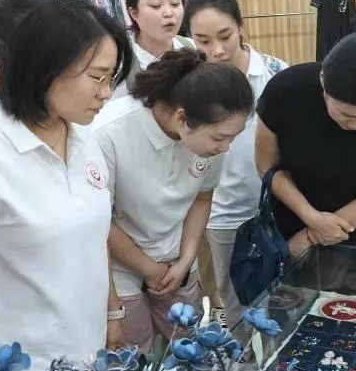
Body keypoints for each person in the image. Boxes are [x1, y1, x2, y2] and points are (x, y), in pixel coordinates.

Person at [0, 0, 133, 371]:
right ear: (47, 68)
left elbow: (95, 237)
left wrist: (112, 313)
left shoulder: (85, 136)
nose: (107, 92)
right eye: (97, 77)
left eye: (111, 78)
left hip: (87, 357)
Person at [93, 49, 254, 351]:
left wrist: (185, 260)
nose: (225, 147)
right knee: (134, 355)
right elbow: (99, 222)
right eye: (219, 138)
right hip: (119, 268)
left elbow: (202, 199)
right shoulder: (109, 133)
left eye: (232, 137)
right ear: (182, 118)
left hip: (175, 260)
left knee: (186, 347)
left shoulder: (213, 141)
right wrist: (148, 268)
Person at [255, 31, 356, 255]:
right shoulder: (286, 91)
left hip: (355, 228)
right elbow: (267, 166)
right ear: (323, 80)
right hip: (286, 222)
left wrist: (310, 236)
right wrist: (310, 216)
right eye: (346, 114)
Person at [185, 0, 288, 327]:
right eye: (202, 40)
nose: (216, 50)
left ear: (241, 27)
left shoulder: (275, 74)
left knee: (284, 300)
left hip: (276, 209)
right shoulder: (191, 86)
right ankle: (239, 360)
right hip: (224, 214)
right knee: (235, 307)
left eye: (225, 36)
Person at [111, 0, 194, 100]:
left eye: (175, 3)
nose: (168, 13)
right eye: (156, 5)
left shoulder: (193, 48)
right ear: (134, 13)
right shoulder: (120, 63)